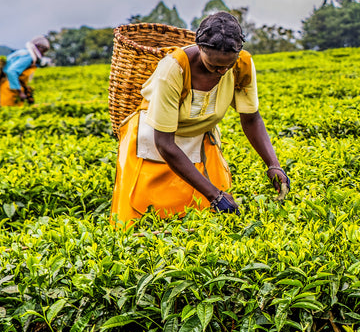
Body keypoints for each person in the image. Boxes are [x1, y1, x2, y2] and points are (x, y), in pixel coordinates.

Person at [111, 12, 290, 226]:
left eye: (227, 65)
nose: (221, 71)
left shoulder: (242, 65)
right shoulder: (173, 69)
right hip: (154, 141)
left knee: (205, 219)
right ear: (200, 47)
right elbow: (165, 144)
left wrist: (273, 164)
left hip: (199, 140)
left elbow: (251, 119)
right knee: (143, 217)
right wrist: (214, 195)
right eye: (214, 65)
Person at [0, 35, 51, 108]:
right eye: (44, 50)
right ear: (38, 47)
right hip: (10, 88)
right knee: (7, 111)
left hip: (10, 86)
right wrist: (20, 92)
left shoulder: (24, 53)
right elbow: (12, 71)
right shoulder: (28, 56)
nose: (43, 53)